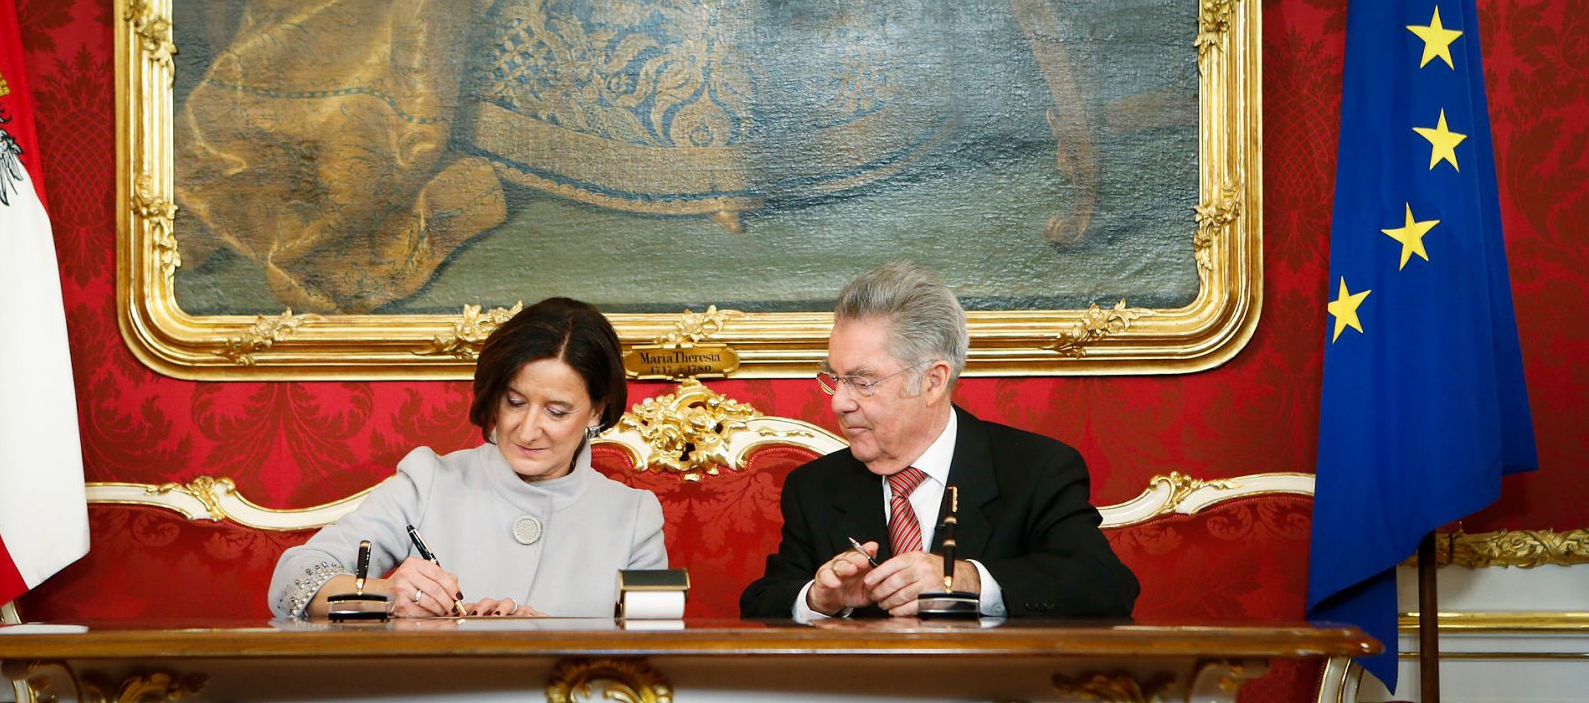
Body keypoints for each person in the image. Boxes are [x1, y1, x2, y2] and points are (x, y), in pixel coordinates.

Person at [740, 262, 1138, 619]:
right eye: (835, 380)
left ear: (932, 381)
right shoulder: (814, 487)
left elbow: (1104, 585)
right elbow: (763, 603)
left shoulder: (1036, 469)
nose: (840, 403)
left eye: (863, 382)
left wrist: (967, 579)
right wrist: (819, 600)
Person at [269, 298, 667, 619]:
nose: (527, 431)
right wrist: (388, 596)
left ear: (596, 411)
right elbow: (292, 580)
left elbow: (654, 652)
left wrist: (548, 641)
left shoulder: (634, 517)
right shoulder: (428, 481)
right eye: (515, 402)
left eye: (556, 412)